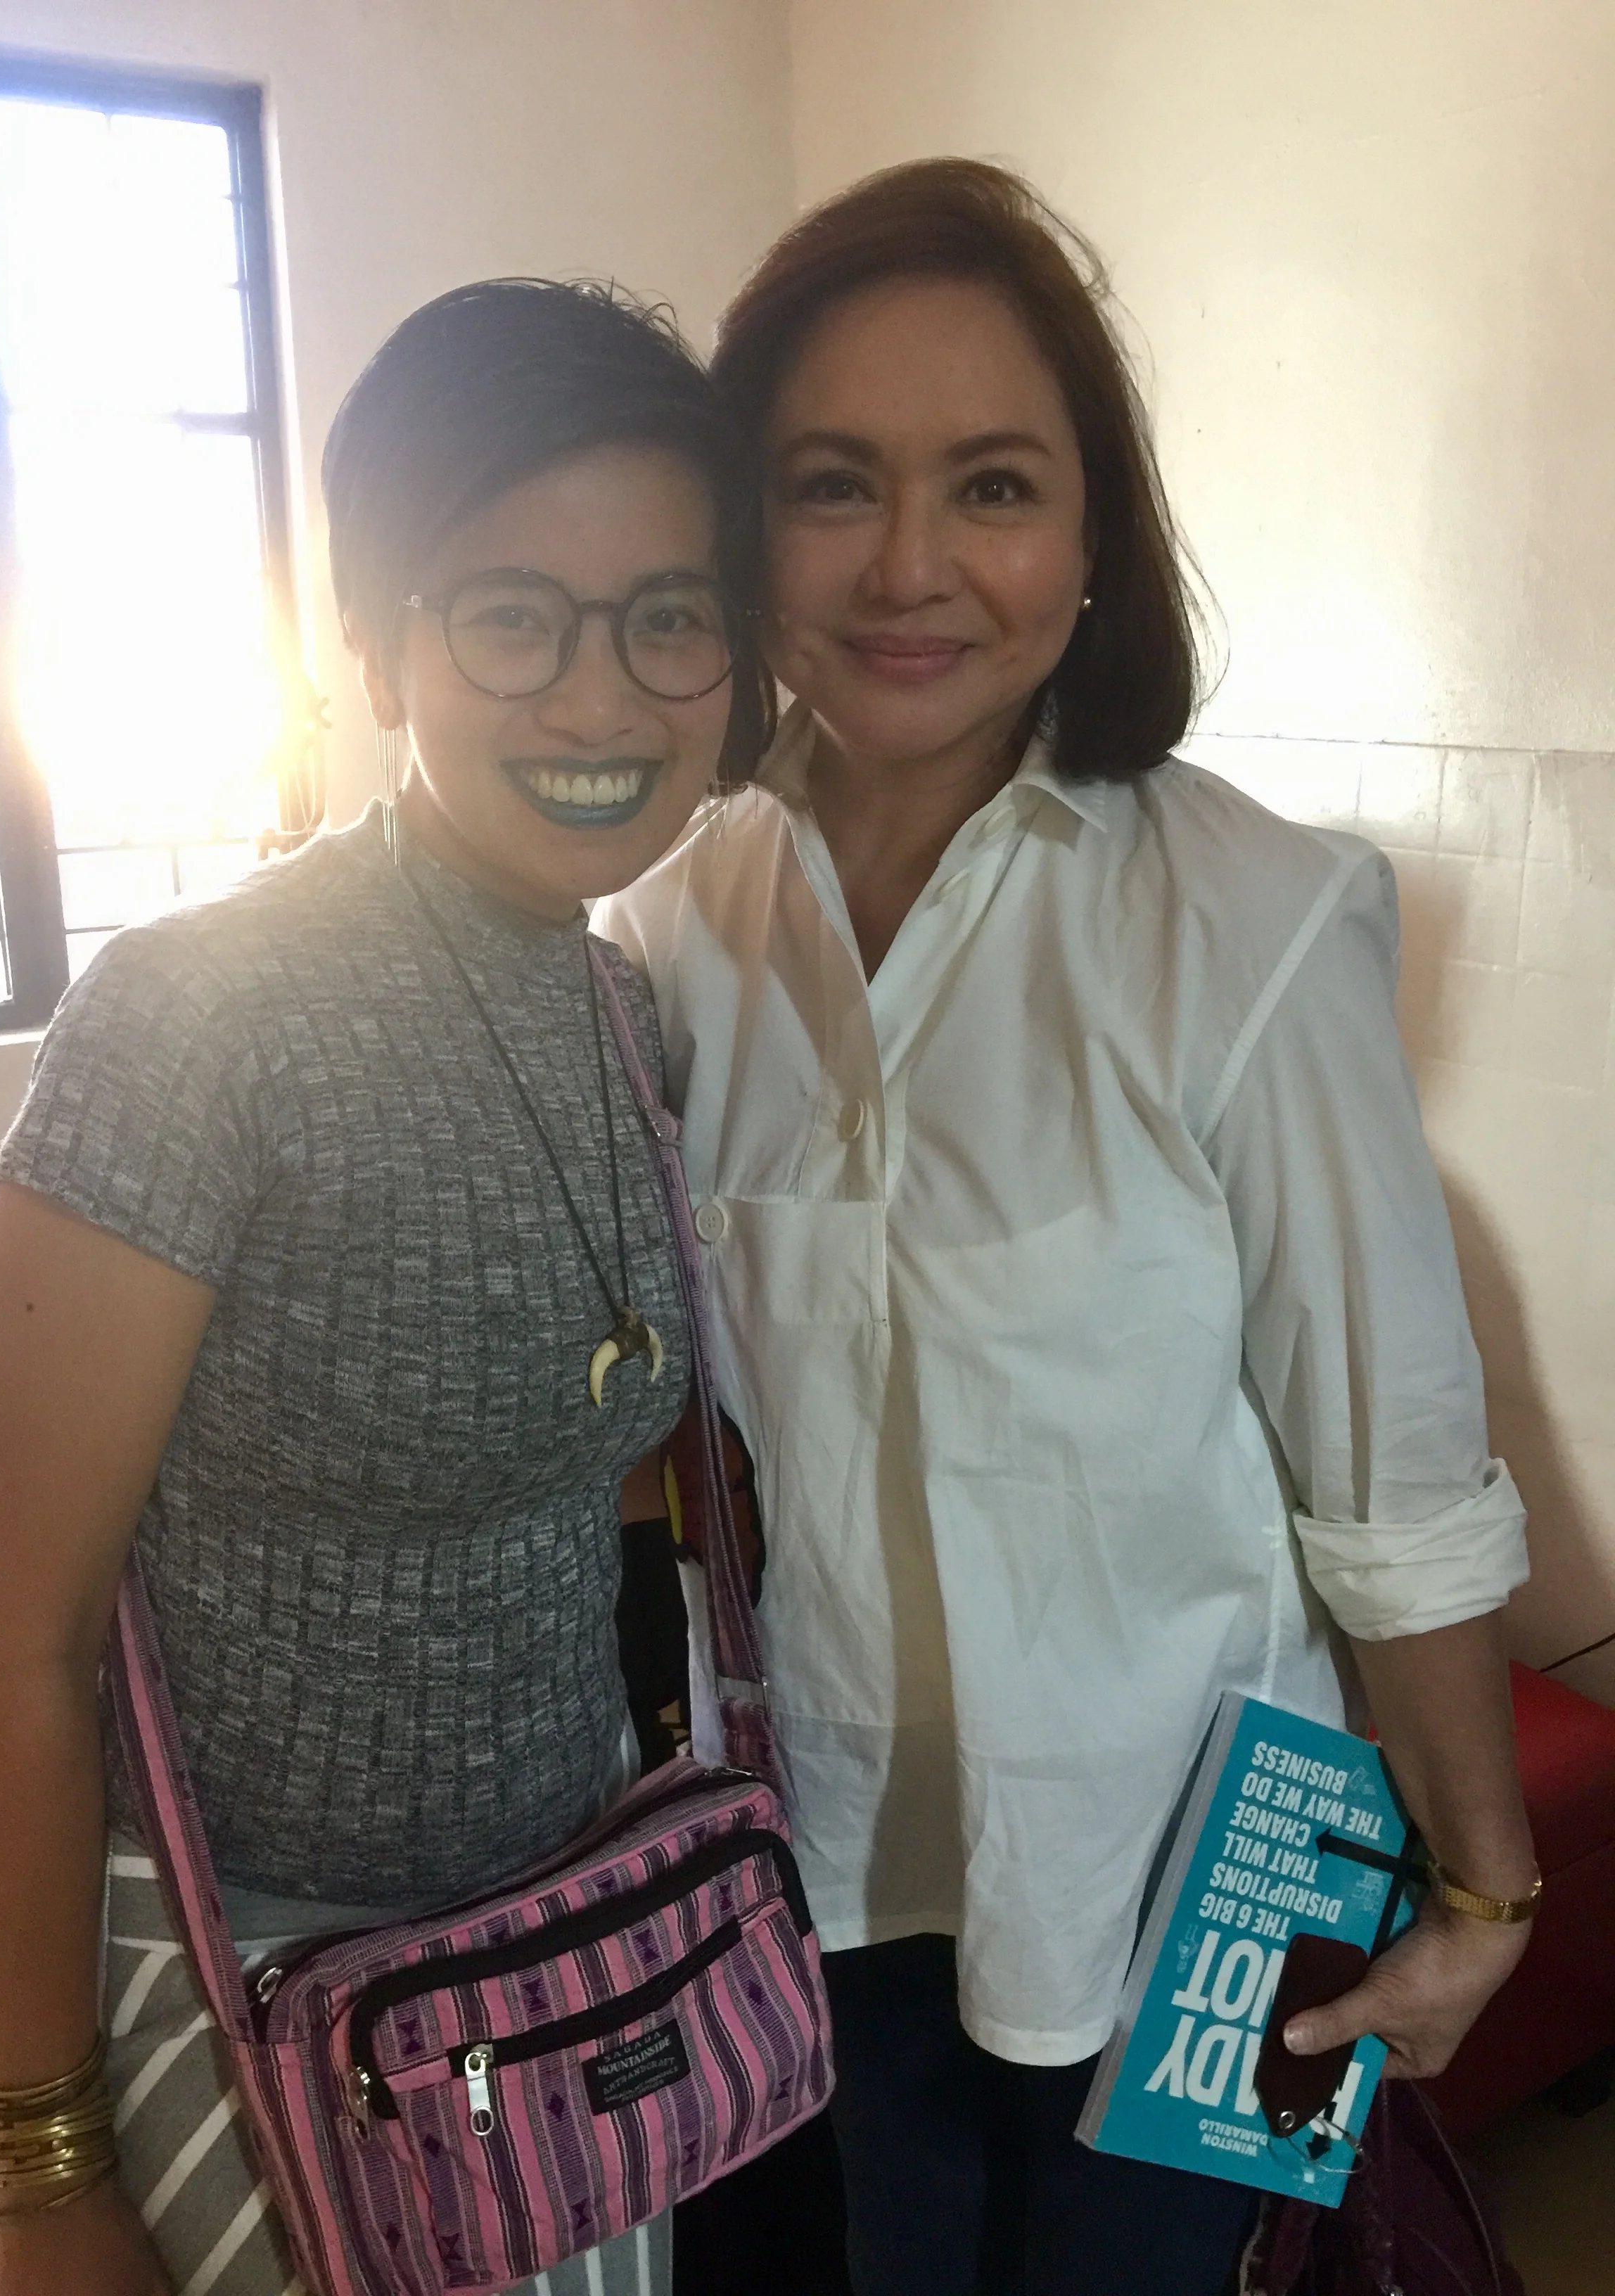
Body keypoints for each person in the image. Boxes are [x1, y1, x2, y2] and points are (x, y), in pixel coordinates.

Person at [596, 159, 1538, 2296]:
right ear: (743, 528)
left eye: (995, 486)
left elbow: (1394, 1478)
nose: (910, 565)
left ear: (1095, 542)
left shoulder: (1255, 923)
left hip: (1209, 1879)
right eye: (833, 484)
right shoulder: (666, 936)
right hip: (816, 1871)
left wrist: (1485, 1888)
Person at [0, 276, 769, 2296]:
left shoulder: (619, 1007)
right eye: (513, 616)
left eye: (669, 616)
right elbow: (17, 1648)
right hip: (258, 1979)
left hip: (565, 1966)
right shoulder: (194, 1021)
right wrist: (49, 2170)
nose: (601, 701)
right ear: (382, 641)